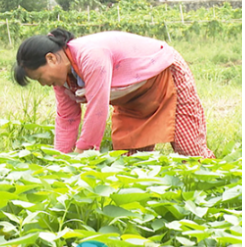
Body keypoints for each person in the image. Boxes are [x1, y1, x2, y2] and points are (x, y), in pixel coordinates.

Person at [13, 28, 215, 159]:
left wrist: (83, 154)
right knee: (130, 162)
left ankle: (220, 188)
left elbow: (97, 109)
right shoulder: (61, 81)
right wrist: (61, 161)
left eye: (40, 77)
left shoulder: (90, 56)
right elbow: (67, 119)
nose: (43, 84)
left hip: (165, 75)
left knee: (190, 152)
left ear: (51, 59)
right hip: (132, 100)